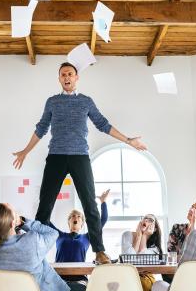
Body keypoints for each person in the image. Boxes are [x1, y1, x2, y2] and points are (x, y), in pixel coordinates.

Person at [13, 62, 147, 264]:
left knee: (90, 205)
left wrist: (128, 140)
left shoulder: (86, 101)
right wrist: (25, 151)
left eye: (70, 74)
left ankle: (99, 251)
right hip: (56, 156)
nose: (66, 77)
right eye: (63, 74)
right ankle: (36, 250)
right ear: (59, 79)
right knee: (45, 206)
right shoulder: (52, 102)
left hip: (80, 157)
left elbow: (103, 124)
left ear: (76, 78)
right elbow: (41, 128)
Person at [0, 203, 84, 291]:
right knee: (82, 290)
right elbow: (53, 233)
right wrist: (22, 222)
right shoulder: (31, 242)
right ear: (13, 223)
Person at [49, 189, 110, 291]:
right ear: (69, 222)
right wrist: (48, 200)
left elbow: (103, 220)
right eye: (72, 216)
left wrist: (103, 202)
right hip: (59, 278)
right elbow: (45, 220)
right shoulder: (59, 235)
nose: (75, 218)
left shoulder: (87, 237)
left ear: (82, 224)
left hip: (79, 278)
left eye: (79, 217)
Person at [121, 214, 163, 291]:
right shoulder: (127, 235)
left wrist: (144, 236)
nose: (146, 220)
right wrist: (139, 235)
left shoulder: (155, 248)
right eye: (144, 218)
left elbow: (142, 259)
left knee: (144, 284)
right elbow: (129, 260)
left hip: (146, 277)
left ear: (154, 229)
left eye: (150, 220)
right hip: (127, 275)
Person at [162, 200, 196, 283]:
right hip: (174, 272)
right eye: (192, 207)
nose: (191, 210)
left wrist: (193, 228)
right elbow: (171, 253)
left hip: (194, 274)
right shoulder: (177, 228)